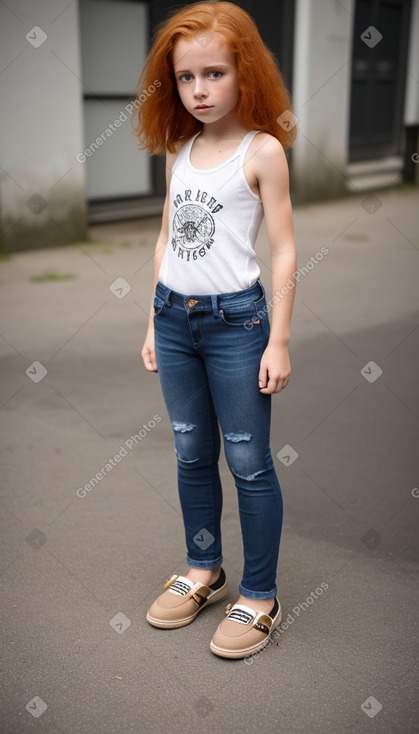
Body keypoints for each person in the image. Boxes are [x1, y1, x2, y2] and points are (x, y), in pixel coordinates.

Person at [132, 0, 297, 659]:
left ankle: (259, 595)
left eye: (214, 74)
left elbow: (284, 251)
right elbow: (166, 238)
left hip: (237, 326)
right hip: (175, 320)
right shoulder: (182, 146)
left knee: (248, 461)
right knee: (190, 454)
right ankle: (204, 569)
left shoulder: (263, 151)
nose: (199, 91)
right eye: (184, 78)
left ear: (245, 73)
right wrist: (151, 320)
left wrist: (278, 338)